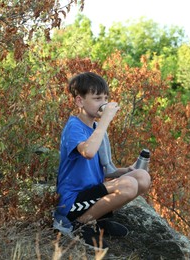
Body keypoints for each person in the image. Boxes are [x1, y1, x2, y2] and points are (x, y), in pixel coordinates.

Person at [54, 72, 151, 249]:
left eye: (105, 98)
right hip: (72, 201)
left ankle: (98, 219)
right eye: (97, 98)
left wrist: (127, 170)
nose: (103, 103)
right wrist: (106, 119)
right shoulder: (74, 126)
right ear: (79, 101)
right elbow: (88, 152)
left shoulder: (98, 128)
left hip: (92, 192)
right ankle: (79, 225)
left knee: (142, 177)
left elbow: (106, 170)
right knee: (128, 185)